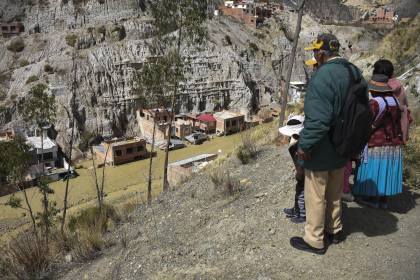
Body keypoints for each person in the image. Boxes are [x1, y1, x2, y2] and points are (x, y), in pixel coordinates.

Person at [289, 33, 366, 254]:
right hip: (344, 145)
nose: (314, 55)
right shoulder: (354, 71)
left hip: (322, 148)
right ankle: (335, 230)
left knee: (315, 195)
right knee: (334, 192)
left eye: (315, 51)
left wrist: (305, 146)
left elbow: (318, 120)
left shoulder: (322, 77)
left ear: (322, 54)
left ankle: (314, 239)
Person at [352, 59, 404, 209]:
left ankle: (371, 199)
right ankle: (384, 201)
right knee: (387, 172)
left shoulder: (375, 103)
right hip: (394, 143)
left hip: (377, 143)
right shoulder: (394, 100)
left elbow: (365, 124)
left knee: (374, 171)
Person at [280, 115, 306, 224]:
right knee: (299, 191)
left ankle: (302, 214)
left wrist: (299, 173)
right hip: (301, 170)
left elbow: (302, 161)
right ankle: (296, 209)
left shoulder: (302, 143)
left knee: (301, 192)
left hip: (305, 173)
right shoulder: (296, 141)